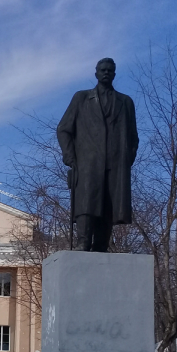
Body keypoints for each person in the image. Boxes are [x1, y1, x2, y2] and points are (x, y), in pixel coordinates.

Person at [57, 58, 139, 251]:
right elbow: (63, 129)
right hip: (88, 162)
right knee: (87, 204)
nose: (106, 73)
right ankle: (83, 242)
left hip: (116, 164)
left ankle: (101, 245)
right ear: (96, 73)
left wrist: (127, 159)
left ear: (115, 74)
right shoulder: (82, 98)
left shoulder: (125, 102)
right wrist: (70, 157)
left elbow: (133, 137)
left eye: (110, 70)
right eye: (102, 70)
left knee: (109, 206)